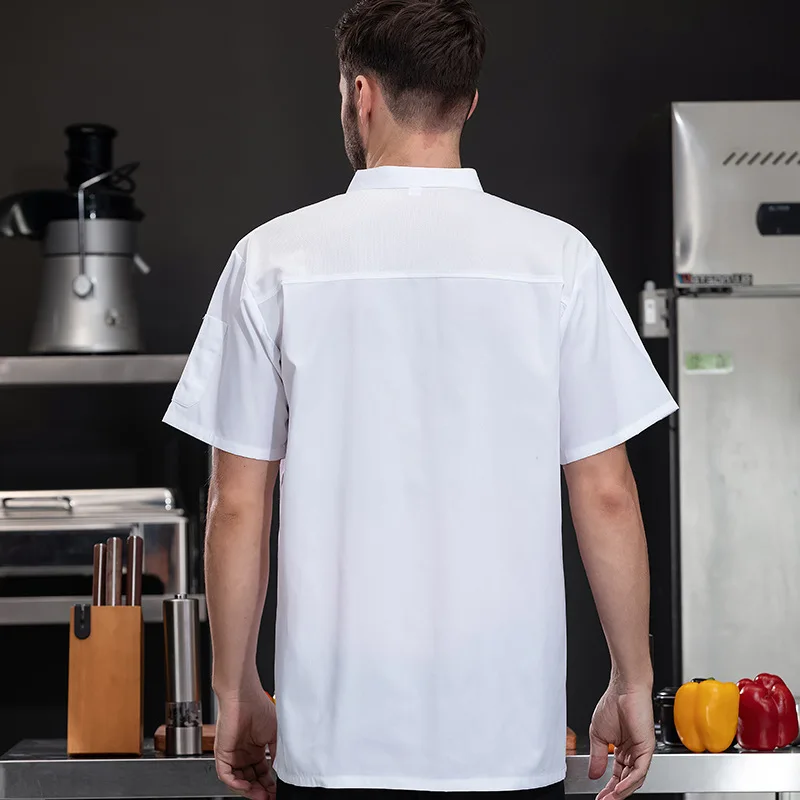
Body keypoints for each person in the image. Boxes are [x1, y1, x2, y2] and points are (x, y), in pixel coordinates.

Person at [163, 1, 677, 798]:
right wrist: (632, 679)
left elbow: (237, 504)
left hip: (334, 745)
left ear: (359, 94)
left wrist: (237, 696)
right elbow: (607, 494)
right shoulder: (558, 260)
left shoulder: (271, 260)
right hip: (506, 745)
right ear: (468, 101)